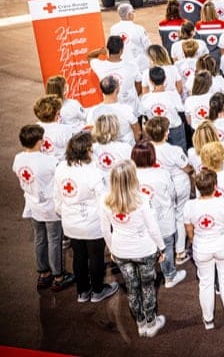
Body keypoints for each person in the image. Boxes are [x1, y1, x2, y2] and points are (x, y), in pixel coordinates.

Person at [98, 160, 167, 337]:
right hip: (145, 250)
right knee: (148, 286)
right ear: (132, 178)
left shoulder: (105, 201)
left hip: (121, 250)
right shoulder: (142, 199)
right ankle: (151, 323)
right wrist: (162, 247)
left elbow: (106, 230)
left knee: (131, 287)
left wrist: (112, 249)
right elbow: (153, 228)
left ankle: (140, 322)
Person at [53, 131, 119, 303]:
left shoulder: (61, 167)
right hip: (92, 223)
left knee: (79, 256)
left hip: (70, 221)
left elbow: (57, 196)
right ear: (86, 150)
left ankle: (82, 291)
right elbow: (103, 199)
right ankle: (97, 290)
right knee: (95, 257)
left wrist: (63, 212)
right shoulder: (92, 171)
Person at [13, 124, 75, 292]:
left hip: (33, 205)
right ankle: (59, 276)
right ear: (39, 142)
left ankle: (43, 273)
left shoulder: (18, 159)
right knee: (54, 240)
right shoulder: (49, 161)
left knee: (39, 238)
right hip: (50, 207)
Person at [185, 168, 224, 329]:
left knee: (205, 283)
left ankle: (208, 319)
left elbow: (189, 231)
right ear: (215, 185)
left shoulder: (189, 206)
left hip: (202, 248)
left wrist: (196, 241)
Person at [131, 140, 187, 289]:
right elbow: (172, 193)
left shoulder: (130, 175)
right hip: (163, 220)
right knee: (167, 246)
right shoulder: (162, 173)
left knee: (145, 246)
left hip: (140, 221)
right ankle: (169, 276)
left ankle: (149, 275)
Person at [111, 2, 151, 70]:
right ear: (129, 14)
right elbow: (148, 46)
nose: (134, 14)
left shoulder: (113, 29)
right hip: (140, 66)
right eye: (133, 12)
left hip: (123, 65)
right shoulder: (139, 28)